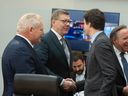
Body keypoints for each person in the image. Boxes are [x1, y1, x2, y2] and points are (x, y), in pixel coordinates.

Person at [1, 13, 50, 96]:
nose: (43, 33)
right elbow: (28, 86)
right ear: (31, 30)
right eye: (41, 30)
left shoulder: (18, 45)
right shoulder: (21, 50)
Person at [34, 9, 76, 96]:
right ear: (53, 22)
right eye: (64, 21)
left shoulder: (66, 41)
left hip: (65, 92)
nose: (68, 24)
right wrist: (61, 81)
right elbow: (40, 66)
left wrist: (70, 80)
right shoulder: (44, 40)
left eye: (69, 21)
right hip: (50, 91)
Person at [83, 8, 118, 96]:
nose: (83, 26)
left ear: (89, 24)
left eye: (84, 23)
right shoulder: (98, 41)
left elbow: (110, 74)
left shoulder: (101, 43)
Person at [110, 25, 128, 96]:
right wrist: (122, 90)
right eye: (125, 38)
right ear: (114, 40)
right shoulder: (107, 56)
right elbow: (100, 81)